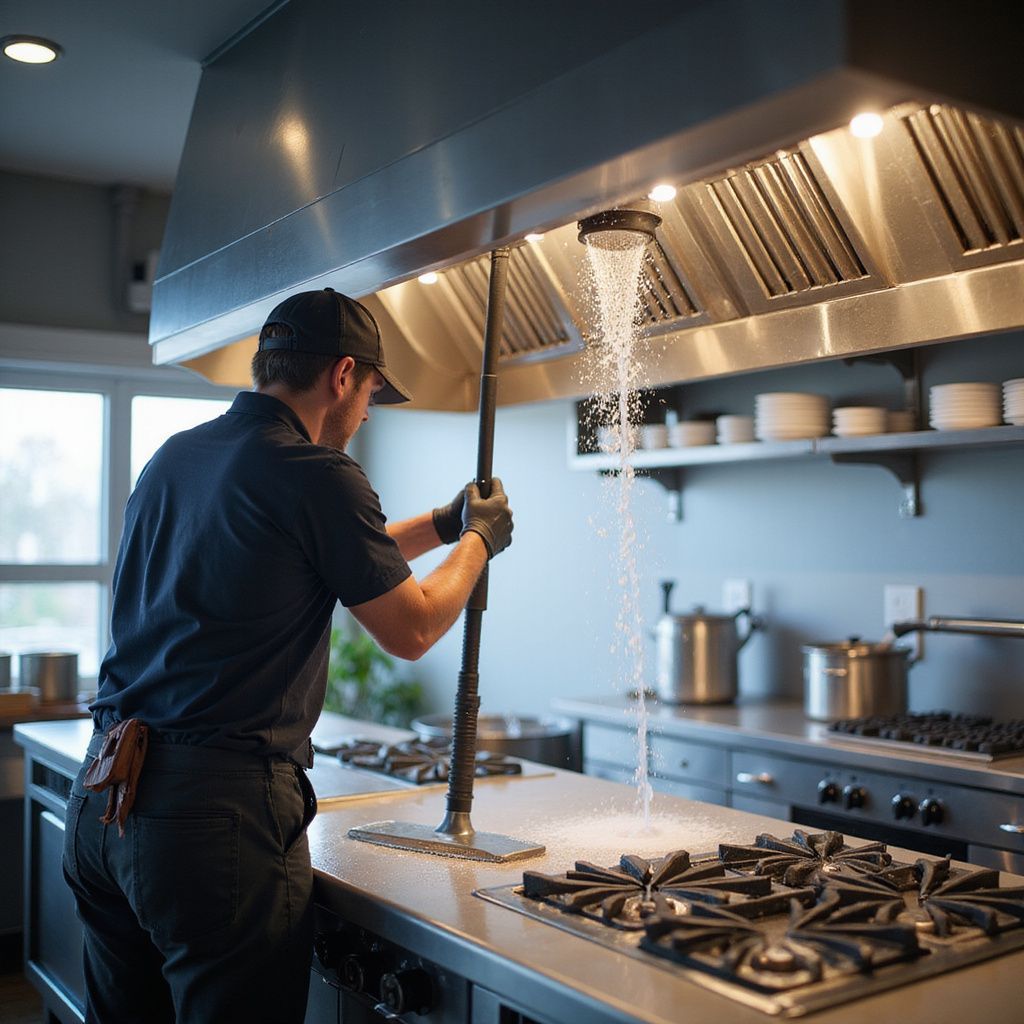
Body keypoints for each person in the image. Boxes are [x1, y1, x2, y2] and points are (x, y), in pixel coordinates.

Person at [61, 287, 513, 1024]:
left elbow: (326, 559)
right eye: (370, 392)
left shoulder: (177, 457)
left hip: (106, 799)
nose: (367, 412)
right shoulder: (316, 473)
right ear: (342, 376)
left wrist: (441, 523)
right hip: (211, 824)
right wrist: (479, 542)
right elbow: (414, 629)